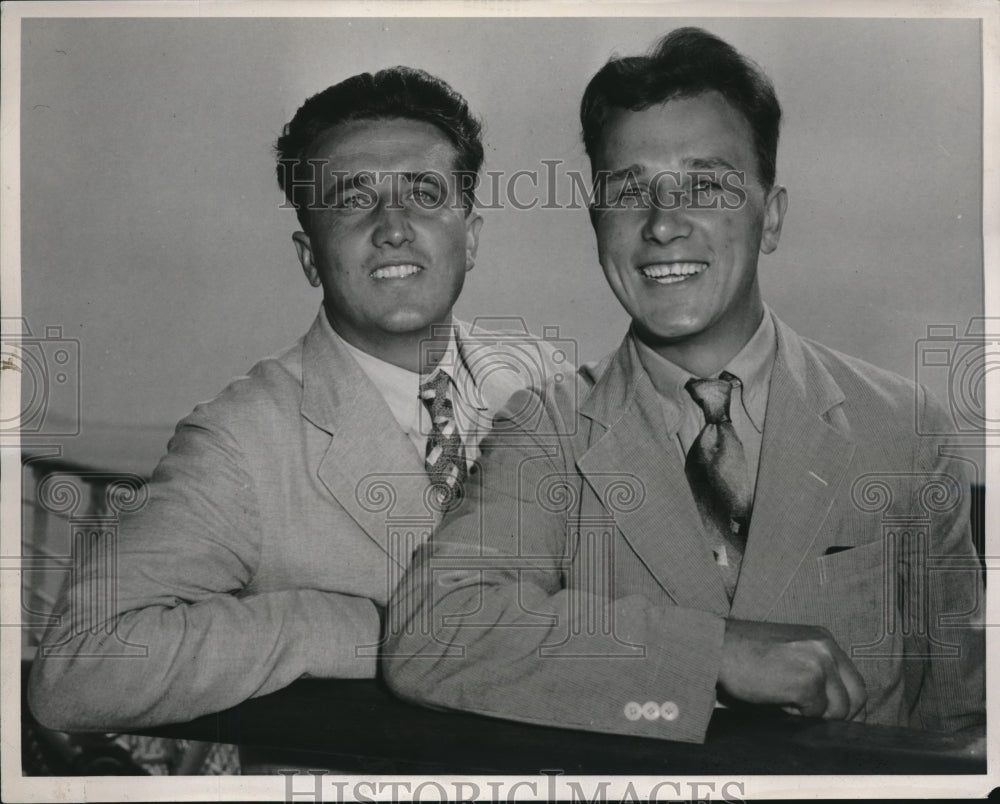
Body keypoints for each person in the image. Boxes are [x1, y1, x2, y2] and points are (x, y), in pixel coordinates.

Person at [382, 28, 985, 744]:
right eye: (630, 190)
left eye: (705, 185)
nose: (664, 224)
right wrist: (714, 655)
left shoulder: (904, 429)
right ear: (598, 224)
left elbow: (962, 726)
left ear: (772, 219)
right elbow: (429, 634)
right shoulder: (546, 429)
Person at [27, 66, 563, 731]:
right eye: (352, 198)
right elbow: (76, 671)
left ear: (470, 236)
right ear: (309, 255)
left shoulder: (545, 382)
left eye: (424, 193)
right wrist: (327, 624)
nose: (393, 226)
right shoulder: (242, 442)